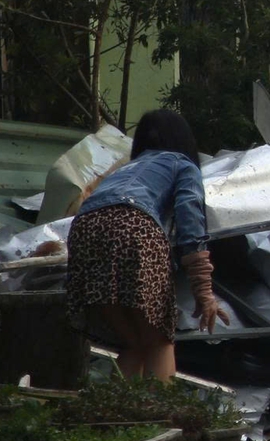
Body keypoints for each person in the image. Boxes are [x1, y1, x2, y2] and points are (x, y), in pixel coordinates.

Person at [68, 109, 226, 381]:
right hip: (135, 225)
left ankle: (119, 416)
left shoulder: (124, 169)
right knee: (159, 339)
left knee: (135, 343)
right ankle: (157, 417)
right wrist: (204, 291)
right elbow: (190, 222)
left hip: (84, 230)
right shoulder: (182, 164)